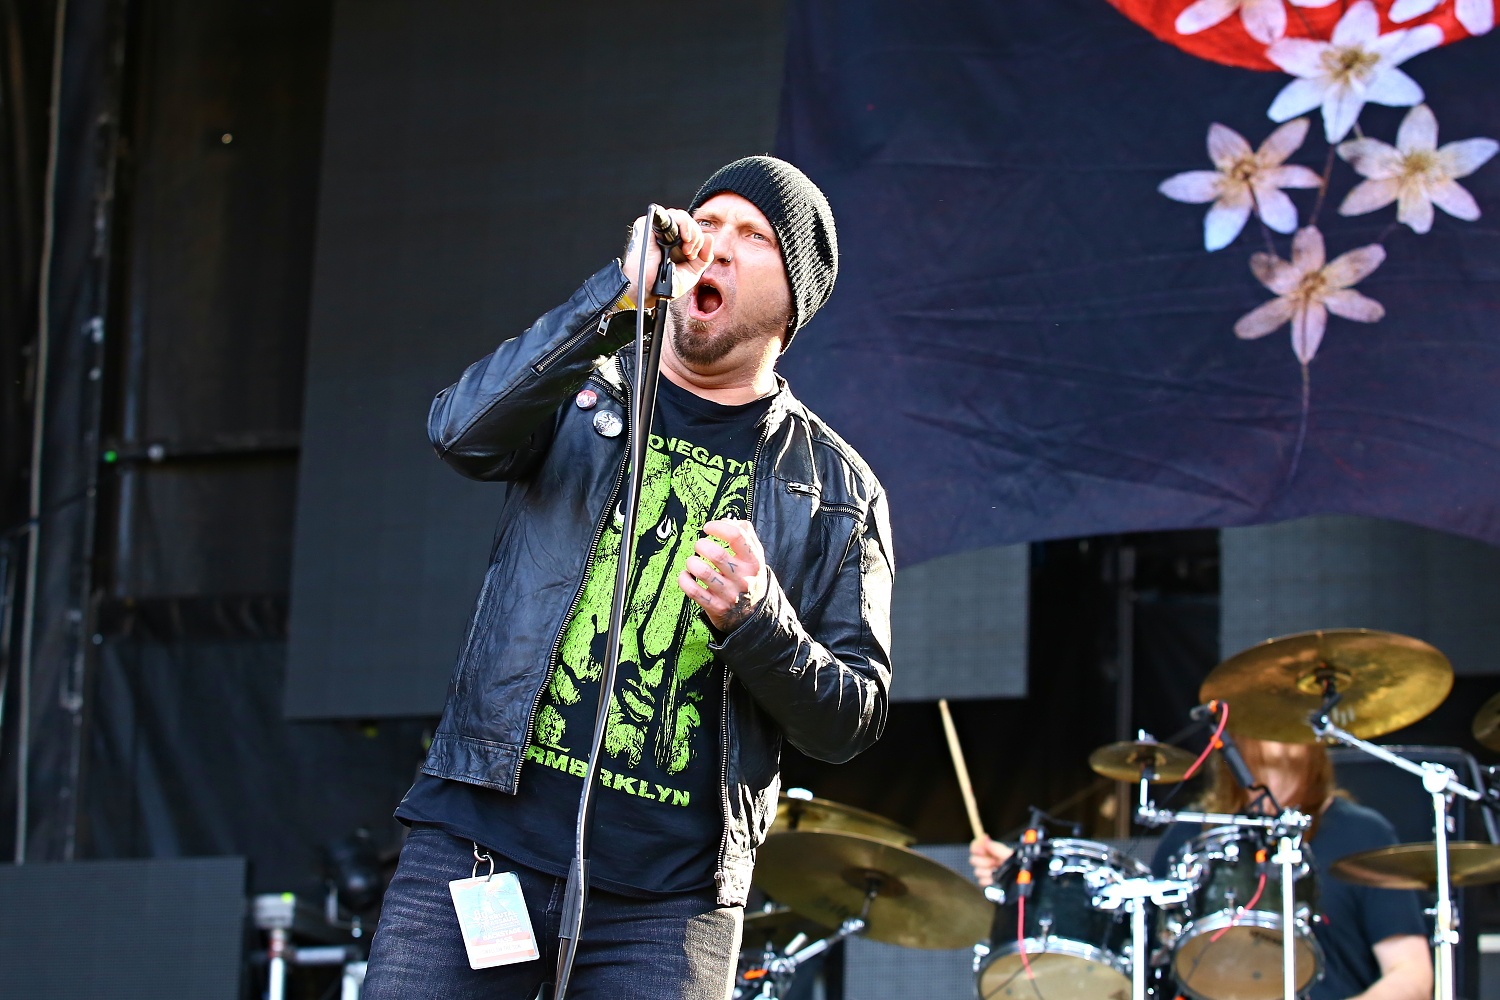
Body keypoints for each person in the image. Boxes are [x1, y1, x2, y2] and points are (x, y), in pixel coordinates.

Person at [361, 156, 895, 1000]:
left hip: (667, 910)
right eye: (705, 222)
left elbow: (852, 717)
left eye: (751, 235)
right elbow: (460, 432)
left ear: (794, 298)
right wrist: (615, 297)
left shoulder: (836, 490)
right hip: (481, 851)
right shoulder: (585, 390)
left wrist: (760, 621)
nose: (714, 245)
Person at [968, 737, 1432, 1000]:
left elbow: (1412, 974)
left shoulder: (1362, 833)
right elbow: (1131, 949)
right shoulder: (1190, 836)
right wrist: (1030, 883)